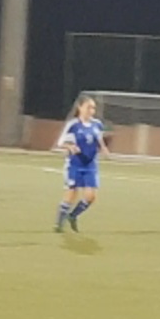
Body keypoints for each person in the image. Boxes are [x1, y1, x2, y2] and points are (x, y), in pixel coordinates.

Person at [55, 96, 109, 233]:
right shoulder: (73, 125)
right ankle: (59, 223)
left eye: (93, 108)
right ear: (80, 107)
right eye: (88, 107)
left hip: (90, 165)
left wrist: (103, 148)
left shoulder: (97, 124)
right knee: (71, 193)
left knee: (91, 196)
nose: (91, 111)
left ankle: (73, 216)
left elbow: (99, 139)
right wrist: (70, 147)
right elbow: (60, 142)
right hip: (74, 164)